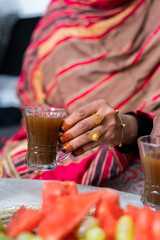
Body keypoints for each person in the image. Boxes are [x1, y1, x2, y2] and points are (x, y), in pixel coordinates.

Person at [0, 0, 160, 194]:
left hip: (134, 146)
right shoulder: (58, 16)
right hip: (62, 145)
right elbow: (35, 105)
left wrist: (123, 127)